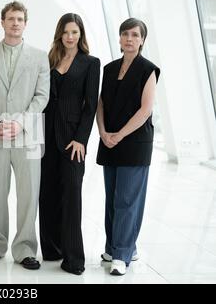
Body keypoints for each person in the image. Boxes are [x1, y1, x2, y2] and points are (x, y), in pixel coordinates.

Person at [0, 1, 50, 270]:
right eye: (10, 18)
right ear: (2, 22)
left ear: (25, 23)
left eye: (19, 19)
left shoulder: (40, 57)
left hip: (27, 136)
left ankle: (26, 249)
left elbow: (42, 96)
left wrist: (20, 124)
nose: (15, 23)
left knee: (28, 194)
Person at [96, 18, 160, 276]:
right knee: (112, 198)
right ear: (120, 38)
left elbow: (145, 110)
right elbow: (101, 104)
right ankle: (114, 247)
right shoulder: (110, 69)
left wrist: (119, 134)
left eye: (135, 34)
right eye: (125, 34)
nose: (130, 38)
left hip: (134, 142)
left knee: (127, 200)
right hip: (109, 140)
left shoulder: (148, 69)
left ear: (142, 40)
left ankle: (122, 255)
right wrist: (102, 132)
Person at [39, 13, 100, 275]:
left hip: (72, 139)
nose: (70, 36)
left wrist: (81, 139)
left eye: (74, 32)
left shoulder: (90, 63)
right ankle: (52, 249)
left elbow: (90, 106)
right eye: (65, 32)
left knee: (72, 195)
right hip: (46, 138)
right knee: (48, 194)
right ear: (59, 34)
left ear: (81, 34)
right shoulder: (49, 60)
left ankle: (74, 258)